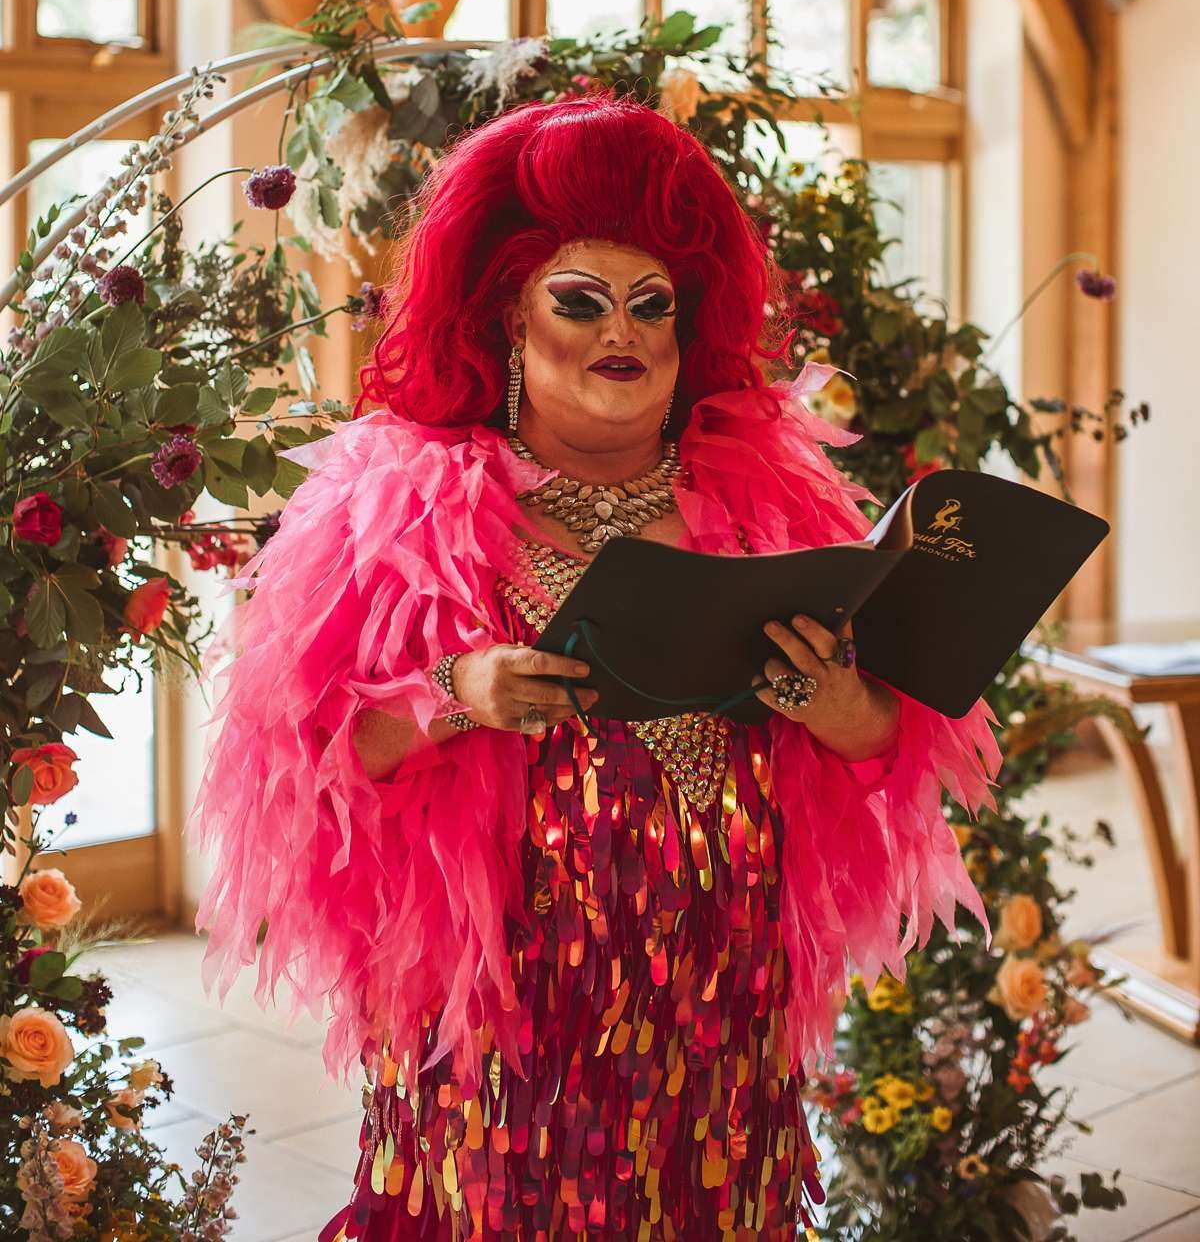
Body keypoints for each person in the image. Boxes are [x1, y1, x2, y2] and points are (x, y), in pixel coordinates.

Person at [192, 95, 998, 1241]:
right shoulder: (399, 515)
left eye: (651, 304)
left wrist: (834, 700)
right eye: (579, 300)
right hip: (503, 1023)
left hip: (725, 1008)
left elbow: (887, 749)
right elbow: (305, 765)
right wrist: (455, 695)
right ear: (508, 323)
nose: (621, 329)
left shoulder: (776, 507)